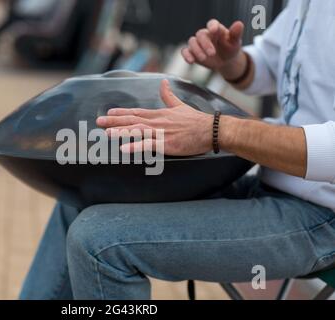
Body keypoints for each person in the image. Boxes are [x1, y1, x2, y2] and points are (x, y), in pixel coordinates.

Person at [20, 0, 335, 300]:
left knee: (100, 242)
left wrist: (217, 130)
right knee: (85, 191)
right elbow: (268, 66)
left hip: (322, 215)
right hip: (274, 182)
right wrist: (232, 62)